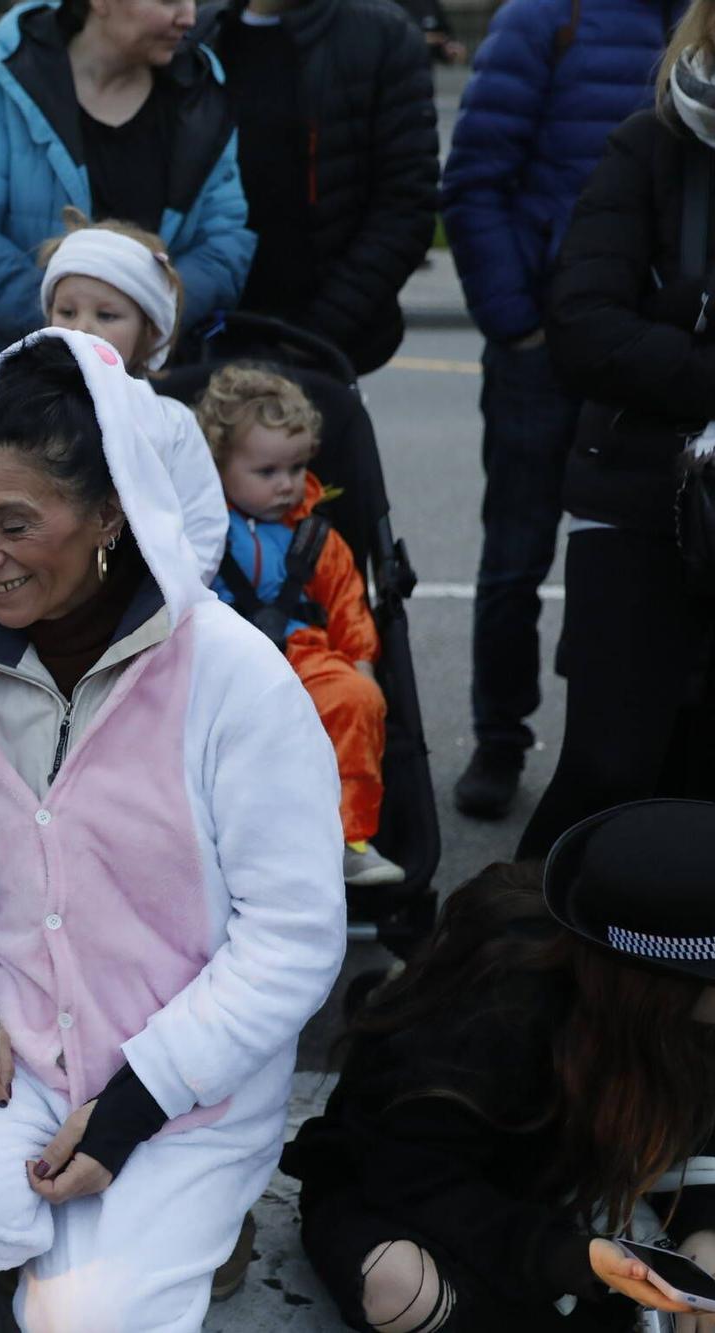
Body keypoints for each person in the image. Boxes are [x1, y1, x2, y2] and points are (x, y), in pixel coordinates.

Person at [0, 329, 345, 1331]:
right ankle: (60, 1233)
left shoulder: (234, 681)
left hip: (183, 1087)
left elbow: (292, 936)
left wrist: (135, 1102)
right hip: (19, 1048)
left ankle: (175, 1220)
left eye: (13, 524)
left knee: (83, 1318)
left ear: (109, 519)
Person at [284, 803, 715, 1332]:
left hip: (555, 1185)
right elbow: (412, 1180)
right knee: (403, 1291)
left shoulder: (674, 1013)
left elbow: (705, 1127)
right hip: (416, 1196)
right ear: (661, 987)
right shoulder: (497, 1020)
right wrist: (565, 1257)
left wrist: (706, 1231)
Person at [441, 0, 687, 820]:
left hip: (654, 365)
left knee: (642, 564)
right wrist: (521, 324)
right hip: (547, 350)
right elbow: (476, 175)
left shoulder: (693, 19)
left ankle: (631, 749)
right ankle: (499, 740)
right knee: (516, 558)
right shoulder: (546, 16)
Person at [519, 0, 715, 859]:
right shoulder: (653, 145)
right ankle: (531, 963)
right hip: (641, 499)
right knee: (611, 770)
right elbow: (586, 326)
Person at [0, 0, 255, 424]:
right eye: (169, 0)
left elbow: (226, 241)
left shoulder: (201, 89)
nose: (189, 17)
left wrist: (148, 324)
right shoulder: (3, 74)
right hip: (11, 403)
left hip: (150, 404)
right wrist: (75, 329)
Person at [198, 365, 400, 886]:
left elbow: (348, 604)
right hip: (219, 658)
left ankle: (348, 839)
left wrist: (361, 665)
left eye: (295, 468)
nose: (286, 485)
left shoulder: (314, 537)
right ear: (218, 466)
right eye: (266, 473)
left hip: (304, 657)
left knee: (355, 700)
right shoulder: (201, 527)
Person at [190, 0, 439, 376]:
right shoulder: (199, 31)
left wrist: (311, 338)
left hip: (320, 347)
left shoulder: (381, 34)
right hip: (202, 344)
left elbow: (405, 206)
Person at [35, 208, 228, 580]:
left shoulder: (172, 425)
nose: (82, 329)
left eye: (107, 315)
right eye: (67, 311)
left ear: (149, 332)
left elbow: (202, 528)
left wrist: (167, 601)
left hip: (147, 610)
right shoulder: (25, 409)